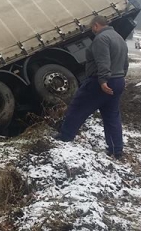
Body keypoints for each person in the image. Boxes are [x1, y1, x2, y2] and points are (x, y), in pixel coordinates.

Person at [54, 16, 129, 159]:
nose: (91, 30)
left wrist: (103, 81)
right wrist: (119, 77)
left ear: (96, 25)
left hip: (100, 83)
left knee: (78, 106)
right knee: (111, 116)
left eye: (91, 28)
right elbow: (125, 63)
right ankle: (116, 149)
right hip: (118, 80)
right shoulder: (118, 38)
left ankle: (65, 137)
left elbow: (103, 61)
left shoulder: (101, 38)